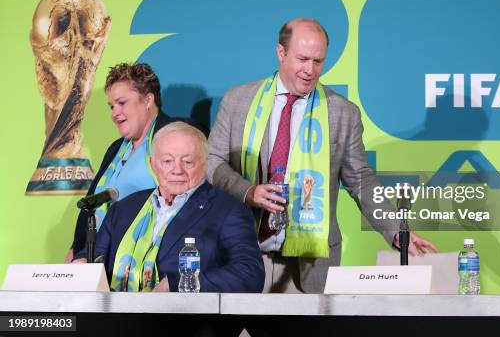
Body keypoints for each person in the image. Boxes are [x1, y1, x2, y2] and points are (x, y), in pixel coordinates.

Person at [207, 17, 439, 293]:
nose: (310, 70)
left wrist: (396, 230)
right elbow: (212, 163)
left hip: (311, 262)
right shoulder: (237, 101)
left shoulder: (343, 113)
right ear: (281, 53)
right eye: (303, 59)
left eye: (318, 61)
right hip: (244, 253)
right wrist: (249, 192)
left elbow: (360, 180)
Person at [74, 121, 264, 293]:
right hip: (117, 321)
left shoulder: (228, 210)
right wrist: (82, 262)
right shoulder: (124, 208)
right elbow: (95, 255)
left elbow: (249, 274)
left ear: (204, 165)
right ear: (153, 165)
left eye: (188, 161)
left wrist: (177, 283)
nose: (177, 170)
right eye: (167, 161)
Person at [67, 63, 200, 262]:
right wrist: (75, 251)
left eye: (122, 103)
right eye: (112, 106)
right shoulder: (116, 148)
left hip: (146, 260)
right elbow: (92, 206)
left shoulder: (177, 134)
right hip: (98, 257)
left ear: (148, 99)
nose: (114, 113)